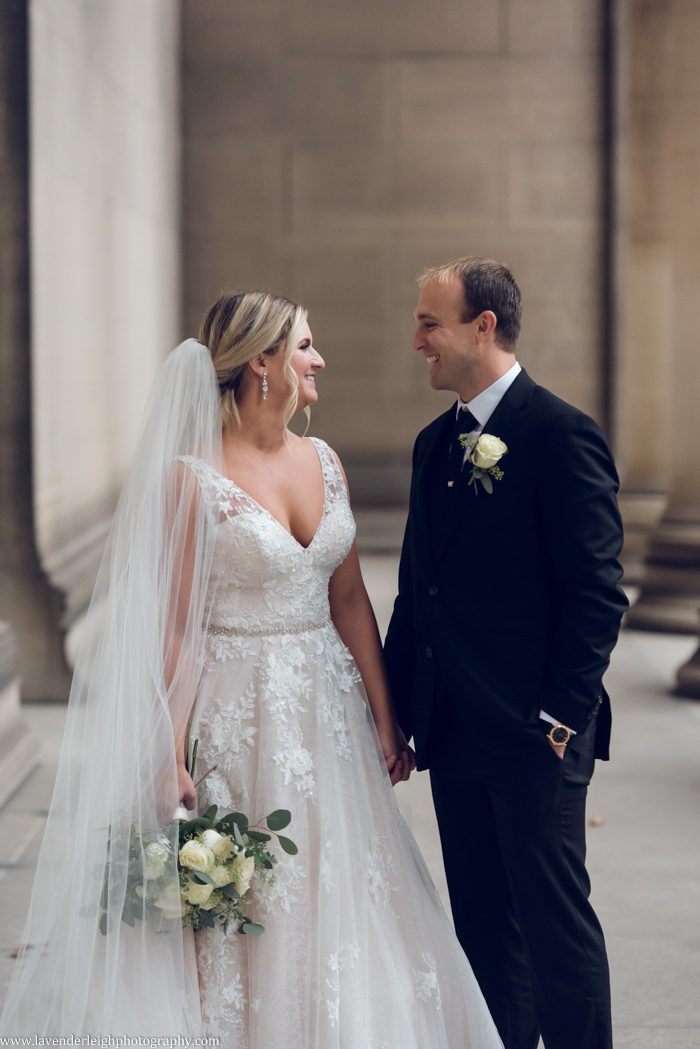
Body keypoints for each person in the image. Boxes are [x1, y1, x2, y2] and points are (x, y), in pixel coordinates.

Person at [1, 288, 504, 1049]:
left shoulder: (325, 460)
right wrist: (169, 752)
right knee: (255, 897)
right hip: (240, 714)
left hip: (327, 708)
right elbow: (180, 630)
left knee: (346, 884)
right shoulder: (190, 476)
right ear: (261, 362)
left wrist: (384, 712)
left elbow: (350, 599)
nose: (319, 360)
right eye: (305, 346)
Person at [384, 257, 629, 1049]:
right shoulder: (433, 444)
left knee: (556, 936)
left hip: (535, 736)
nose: (417, 338)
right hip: (454, 734)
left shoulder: (561, 434)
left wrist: (559, 718)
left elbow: (596, 592)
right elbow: (415, 593)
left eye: (430, 322)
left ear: (482, 326)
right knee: (486, 937)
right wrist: (391, 712)